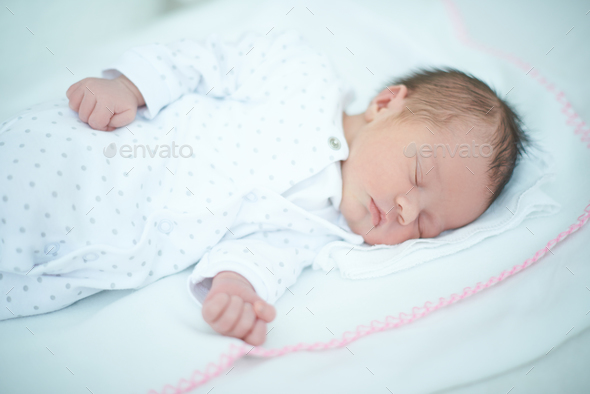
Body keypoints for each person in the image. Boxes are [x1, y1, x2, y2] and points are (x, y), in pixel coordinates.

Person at [0, 29, 528, 346]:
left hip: (79, 264)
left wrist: (237, 289)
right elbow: (207, 61)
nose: (408, 208)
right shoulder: (301, 78)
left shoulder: (323, 233)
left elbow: (260, 253)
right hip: (85, 153)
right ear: (387, 105)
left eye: (428, 224)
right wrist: (131, 85)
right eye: (418, 177)